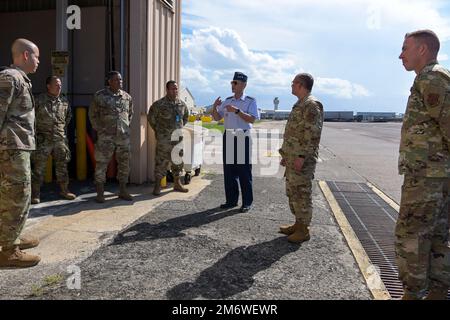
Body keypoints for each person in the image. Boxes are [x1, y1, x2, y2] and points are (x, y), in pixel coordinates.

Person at [396, 29, 450, 300]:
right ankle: (437, 292)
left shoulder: (431, 78)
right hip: (436, 176)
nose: (400, 54)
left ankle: (414, 294)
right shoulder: (431, 78)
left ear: (422, 50)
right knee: (437, 236)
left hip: (427, 177)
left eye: (406, 48)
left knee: (412, 236)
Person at [0, 39, 41, 268]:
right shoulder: (10, 78)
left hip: (18, 146)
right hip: (10, 148)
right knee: (16, 196)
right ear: (25, 56)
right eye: (36, 56)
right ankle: (9, 251)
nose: (38, 61)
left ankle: (12, 236)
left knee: (18, 195)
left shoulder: (20, 80)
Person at [279, 73, 324, 244]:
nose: (291, 85)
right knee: (293, 192)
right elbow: (295, 133)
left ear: (300, 85)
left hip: (302, 159)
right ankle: (298, 224)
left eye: (293, 83)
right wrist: (287, 155)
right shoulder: (300, 104)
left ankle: (304, 229)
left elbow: (312, 134)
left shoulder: (311, 105)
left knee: (302, 193)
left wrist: (300, 156)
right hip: (293, 156)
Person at [212, 72, 260, 213]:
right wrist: (214, 107)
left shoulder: (250, 101)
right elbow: (216, 118)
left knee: (244, 171)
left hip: (242, 136)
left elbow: (252, 119)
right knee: (229, 171)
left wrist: (237, 111)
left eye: (235, 83)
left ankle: (247, 202)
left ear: (244, 85)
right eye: (232, 83)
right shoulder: (227, 101)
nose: (232, 85)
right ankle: (231, 201)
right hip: (229, 136)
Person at [89, 71, 133, 203]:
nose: (119, 82)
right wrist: (100, 129)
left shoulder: (127, 97)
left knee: (124, 163)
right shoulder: (100, 96)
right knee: (102, 163)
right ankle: (100, 193)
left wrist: (124, 127)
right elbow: (93, 115)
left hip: (123, 137)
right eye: (116, 80)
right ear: (109, 81)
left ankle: (123, 190)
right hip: (106, 137)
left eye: (120, 80)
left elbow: (130, 114)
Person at [31, 76, 76, 204]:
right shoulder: (39, 100)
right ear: (48, 86)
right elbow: (30, 118)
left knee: (62, 166)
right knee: (38, 168)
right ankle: (35, 193)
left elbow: (67, 119)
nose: (59, 86)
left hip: (59, 139)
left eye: (60, 84)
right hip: (43, 139)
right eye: (56, 84)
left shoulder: (64, 101)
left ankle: (64, 190)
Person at [148, 80, 189, 196]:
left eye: (176, 88)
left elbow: (185, 118)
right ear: (167, 90)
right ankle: (157, 186)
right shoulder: (159, 104)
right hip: (164, 140)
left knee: (178, 162)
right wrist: (159, 131)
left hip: (178, 140)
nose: (175, 91)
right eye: (172, 88)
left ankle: (177, 184)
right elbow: (151, 118)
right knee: (161, 162)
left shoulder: (182, 104)